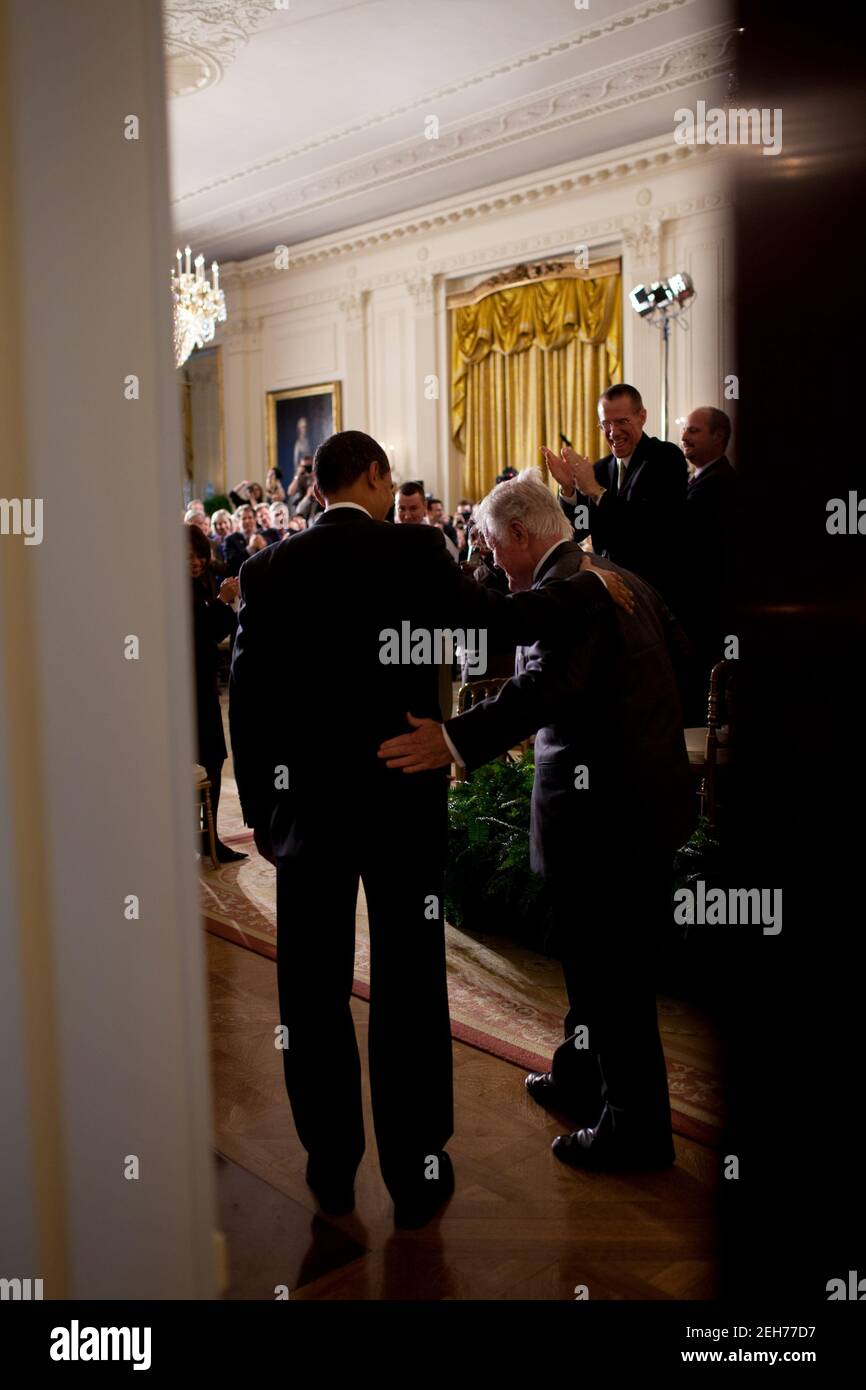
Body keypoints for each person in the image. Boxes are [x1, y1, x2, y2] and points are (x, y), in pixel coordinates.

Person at [229, 431, 634, 1227]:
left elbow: (247, 700)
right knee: (410, 985)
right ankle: (417, 1166)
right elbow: (490, 634)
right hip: (400, 799)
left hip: (305, 810)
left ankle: (329, 1160)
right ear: (377, 477)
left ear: (318, 486)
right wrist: (585, 587)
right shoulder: (414, 552)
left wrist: (269, 815)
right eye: (389, 482)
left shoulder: (268, 568)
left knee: (309, 990)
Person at [379, 469, 695, 1173]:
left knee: (611, 976)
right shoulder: (617, 576)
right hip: (644, 804)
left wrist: (454, 738)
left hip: (605, 819)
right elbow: (679, 656)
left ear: (521, 534)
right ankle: (581, 1078)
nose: (492, 562)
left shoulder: (570, 592)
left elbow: (544, 688)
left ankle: (635, 1131)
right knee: (592, 965)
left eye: (493, 549)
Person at [542, 383, 687, 606]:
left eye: (621, 422)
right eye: (606, 424)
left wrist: (596, 492)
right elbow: (578, 530)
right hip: (609, 590)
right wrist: (569, 490)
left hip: (655, 592)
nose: (613, 432)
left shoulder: (665, 457)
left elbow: (652, 526)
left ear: (642, 417)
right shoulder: (600, 469)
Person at [187, 525, 247, 865]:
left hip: (203, 682)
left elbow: (214, 629)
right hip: (186, 686)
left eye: (199, 555)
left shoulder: (200, 583)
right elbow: (204, 627)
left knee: (213, 757)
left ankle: (208, 838)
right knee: (203, 757)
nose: (196, 562)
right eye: (189, 556)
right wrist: (223, 601)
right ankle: (199, 837)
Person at [680, 407, 737, 720]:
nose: (685, 436)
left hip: (708, 613)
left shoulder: (721, 485)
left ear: (719, 436)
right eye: (685, 430)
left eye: (694, 430)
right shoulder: (698, 480)